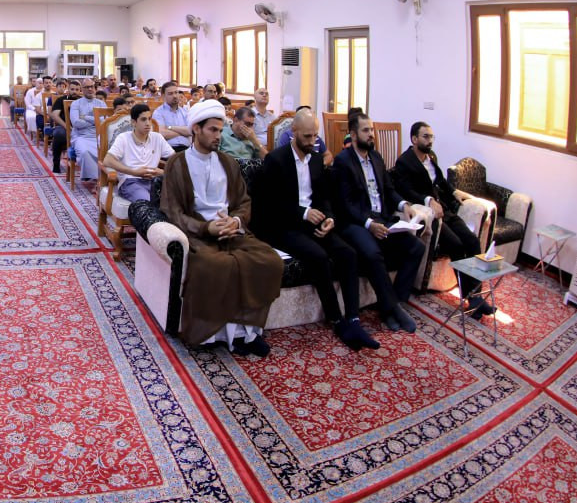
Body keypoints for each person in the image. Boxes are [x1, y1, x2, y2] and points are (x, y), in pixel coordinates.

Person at [157, 100, 284, 355]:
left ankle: (248, 334)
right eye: (213, 130)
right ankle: (216, 336)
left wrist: (235, 221)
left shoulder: (228, 162)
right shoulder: (177, 163)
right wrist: (208, 229)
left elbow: (243, 202)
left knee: (269, 260)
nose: (218, 136)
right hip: (199, 235)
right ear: (196, 129)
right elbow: (173, 212)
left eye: (220, 130)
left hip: (232, 231)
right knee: (217, 265)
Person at [259, 110, 378, 350]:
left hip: (313, 222)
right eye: (307, 136)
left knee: (348, 253)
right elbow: (269, 204)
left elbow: (324, 197)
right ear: (293, 133)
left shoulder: (315, 159)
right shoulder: (276, 159)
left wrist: (329, 218)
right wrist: (303, 213)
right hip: (284, 226)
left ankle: (353, 319)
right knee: (319, 256)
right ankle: (337, 320)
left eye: (315, 136)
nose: (312, 141)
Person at [334, 113, 426, 333]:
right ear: (353, 134)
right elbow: (345, 205)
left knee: (416, 247)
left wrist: (403, 204)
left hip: (382, 218)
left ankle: (394, 305)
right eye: (366, 130)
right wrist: (369, 224)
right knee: (372, 253)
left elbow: (389, 189)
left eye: (372, 130)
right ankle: (391, 308)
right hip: (356, 223)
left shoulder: (376, 157)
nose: (371, 134)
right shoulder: (343, 161)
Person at [392, 121, 493, 318]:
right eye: (425, 137)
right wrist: (428, 200)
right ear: (414, 139)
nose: (430, 141)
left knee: (472, 241)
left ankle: (476, 296)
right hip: (430, 214)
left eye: (431, 137)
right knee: (456, 245)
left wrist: (454, 192)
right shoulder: (405, 162)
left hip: (444, 210)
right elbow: (405, 190)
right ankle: (472, 298)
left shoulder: (430, 158)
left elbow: (440, 181)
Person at [103, 103, 173, 203]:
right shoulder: (123, 138)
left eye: (149, 119)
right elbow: (107, 160)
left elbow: (175, 159)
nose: (148, 123)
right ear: (134, 122)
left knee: (175, 200)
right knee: (148, 203)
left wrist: (163, 172)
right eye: (143, 119)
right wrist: (134, 172)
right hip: (131, 182)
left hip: (155, 181)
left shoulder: (157, 137)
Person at [69, 79, 104, 182]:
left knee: (108, 152)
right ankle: (95, 178)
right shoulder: (76, 104)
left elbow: (104, 121)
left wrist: (85, 117)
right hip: (81, 136)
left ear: (95, 88)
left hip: (98, 136)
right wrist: (96, 121)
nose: (90, 89)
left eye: (91, 87)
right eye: (87, 87)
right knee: (85, 152)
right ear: (82, 90)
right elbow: (76, 123)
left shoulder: (101, 103)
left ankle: (103, 177)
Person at [48, 82, 82, 174]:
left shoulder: (83, 101)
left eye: (77, 89)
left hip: (81, 128)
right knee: (58, 134)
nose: (74, 91)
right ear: (68, 90)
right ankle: (56, 164)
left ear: (80, 90)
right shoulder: (61, 99)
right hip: (63, 126)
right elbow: (55, 116)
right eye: (72, 89)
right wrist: (68, 127)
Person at [153, 81, 192, 151]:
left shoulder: (185, 112)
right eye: (170, 94)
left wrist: (169, 127)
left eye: (176, 92)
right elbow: (162, 134)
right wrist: (183, 132)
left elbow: (190, 131)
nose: (174, 96)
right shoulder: (158, 113)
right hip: (168, 150)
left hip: (187, 149)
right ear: (163, 96)